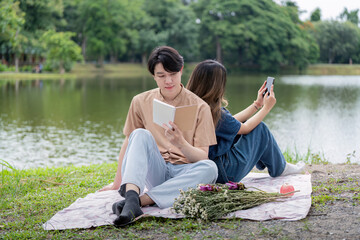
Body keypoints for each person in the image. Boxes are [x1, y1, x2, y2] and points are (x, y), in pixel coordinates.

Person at [100, 47, 218, 227]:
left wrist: (181, 143)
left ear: (181, 70)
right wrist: (118, 183)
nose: (168, 81)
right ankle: (131, 195)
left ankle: (137, 203)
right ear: (153, 76)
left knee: (210, 168)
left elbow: (203, 156)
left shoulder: (200, 107)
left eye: (172, 74)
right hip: (155, 170)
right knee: (139, 134)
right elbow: (130, 143)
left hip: (183, 173)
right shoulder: (140, 101)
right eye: (161, 76)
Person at [186, 60, 304, 184]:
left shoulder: (193, 107)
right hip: (226, 172)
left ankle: (276, 163)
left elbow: (232, 123)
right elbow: (246, 128)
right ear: (217, 86)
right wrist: (267, 108)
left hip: (209, 170)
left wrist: (257, 105)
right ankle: (280, 168)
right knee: (260, 128)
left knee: (244, 127)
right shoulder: (213, 112)